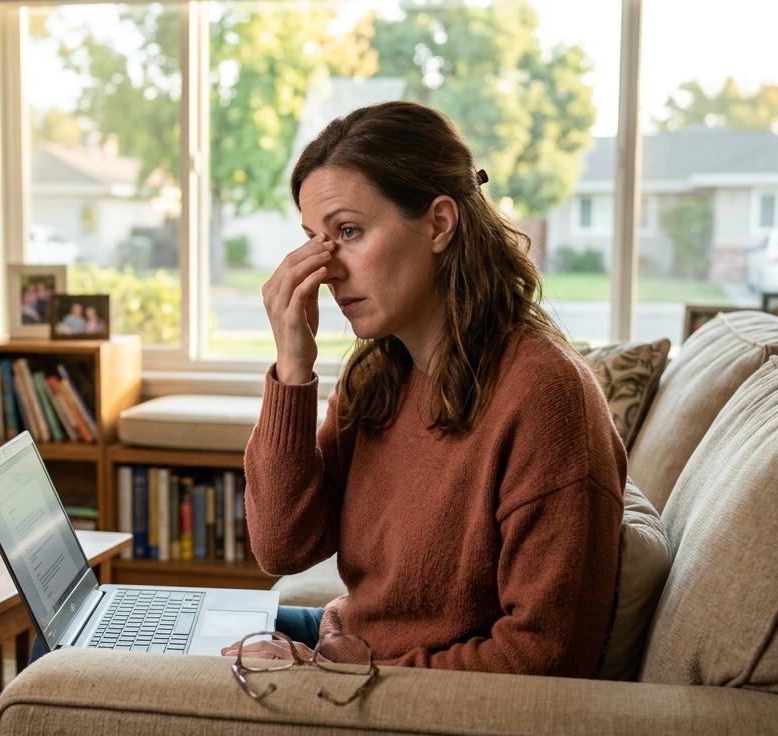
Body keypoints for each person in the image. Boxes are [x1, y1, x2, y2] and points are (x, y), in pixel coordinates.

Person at [226, 101, 625, 677]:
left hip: (396, 688)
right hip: (346, 646)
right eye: (315, 239)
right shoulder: (378, 375)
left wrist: (331, 677)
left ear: (439, 224)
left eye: (349, 232)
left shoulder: (545, 396)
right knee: (134, 647)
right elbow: (283, 547)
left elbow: (545, 656)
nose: (326, 269)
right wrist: (293, 366)